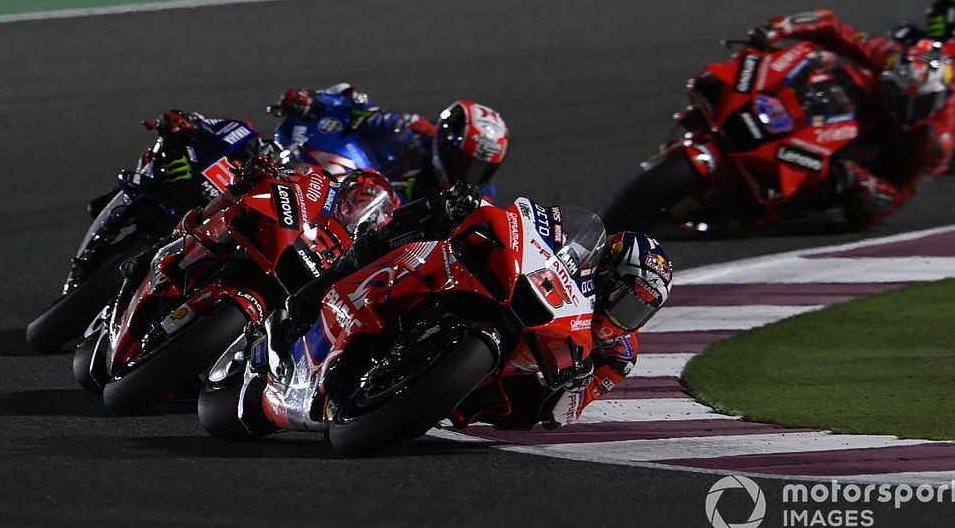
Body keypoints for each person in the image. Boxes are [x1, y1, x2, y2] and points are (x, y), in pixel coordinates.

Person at [756, 8, 955, 227]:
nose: (908, 111)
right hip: (879, 100)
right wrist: (783, 27)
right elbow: (833, 27)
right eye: (900, 97)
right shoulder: (887, 57)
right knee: (824, 63)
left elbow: (896, 198)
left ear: (939, 97)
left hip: (903, 141)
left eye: (921, 104)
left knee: (861, 210)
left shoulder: (938, 141)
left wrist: (865, 183)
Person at [265, 179, 484, 379]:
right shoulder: (329, 200)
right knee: (371, 246)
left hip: (412, 283)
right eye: (357, 202)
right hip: (357, 259)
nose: (362, 210)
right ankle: (293, 315)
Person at [478, 230, 672, 431]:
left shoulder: (621, 355)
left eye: (638, 312)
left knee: (528, 413)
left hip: (527, 360)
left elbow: (564, 414)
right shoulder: (574, 251)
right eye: (625, 302)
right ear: (606, 274)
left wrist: (576, 385)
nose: (625, 317)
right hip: (520, 300)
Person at [272, 83, 509, 203]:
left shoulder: (478, 199)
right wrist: (316, 100)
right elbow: (364, 111)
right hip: (358, 193)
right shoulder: (412, 130)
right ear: (446, 144)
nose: (470, 176)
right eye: (465, 162)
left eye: (481, 169)